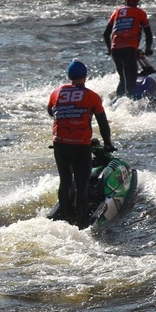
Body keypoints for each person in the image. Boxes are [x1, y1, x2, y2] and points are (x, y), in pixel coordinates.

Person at [47, 60, 114, 229]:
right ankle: (82, 224)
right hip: (80, 145)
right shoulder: (91, 96)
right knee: (82, 184)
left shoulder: (56, 92)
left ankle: (66, 218)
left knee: (65, 181)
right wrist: (107, 143)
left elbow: (51, 112)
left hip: (60, 143)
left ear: (69, 76)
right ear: (85, 76)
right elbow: (103, 123)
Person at [103, 0, 154, 100]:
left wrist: (109, 50)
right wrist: (148, 49)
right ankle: (131, 108)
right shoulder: (140, 13)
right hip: (129, 50)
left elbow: (106, 34)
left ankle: (115, 105)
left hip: (115, 50)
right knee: (131, 80)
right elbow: (148, 34)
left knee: (123, 79)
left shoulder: (116, 12)